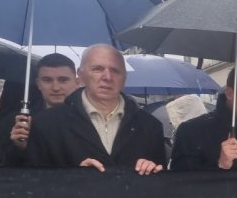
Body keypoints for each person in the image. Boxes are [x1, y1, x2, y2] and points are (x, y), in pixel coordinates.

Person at [26, 45, 165, 175]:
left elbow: (162, 189)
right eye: (97, 69)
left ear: (125, 77)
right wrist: (74, 176)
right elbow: (33, 185)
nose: (107, 77)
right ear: (80, 75)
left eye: (115, 71)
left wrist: (152, 172)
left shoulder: (150, 127)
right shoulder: (45, 125)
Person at [0, 53, 80, 164]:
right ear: (38, 84)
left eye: (63, 80)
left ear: (77, 83)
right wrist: (19, 148)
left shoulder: (89, 120)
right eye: (47, 80)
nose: (55, 88)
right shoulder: (16, 123)